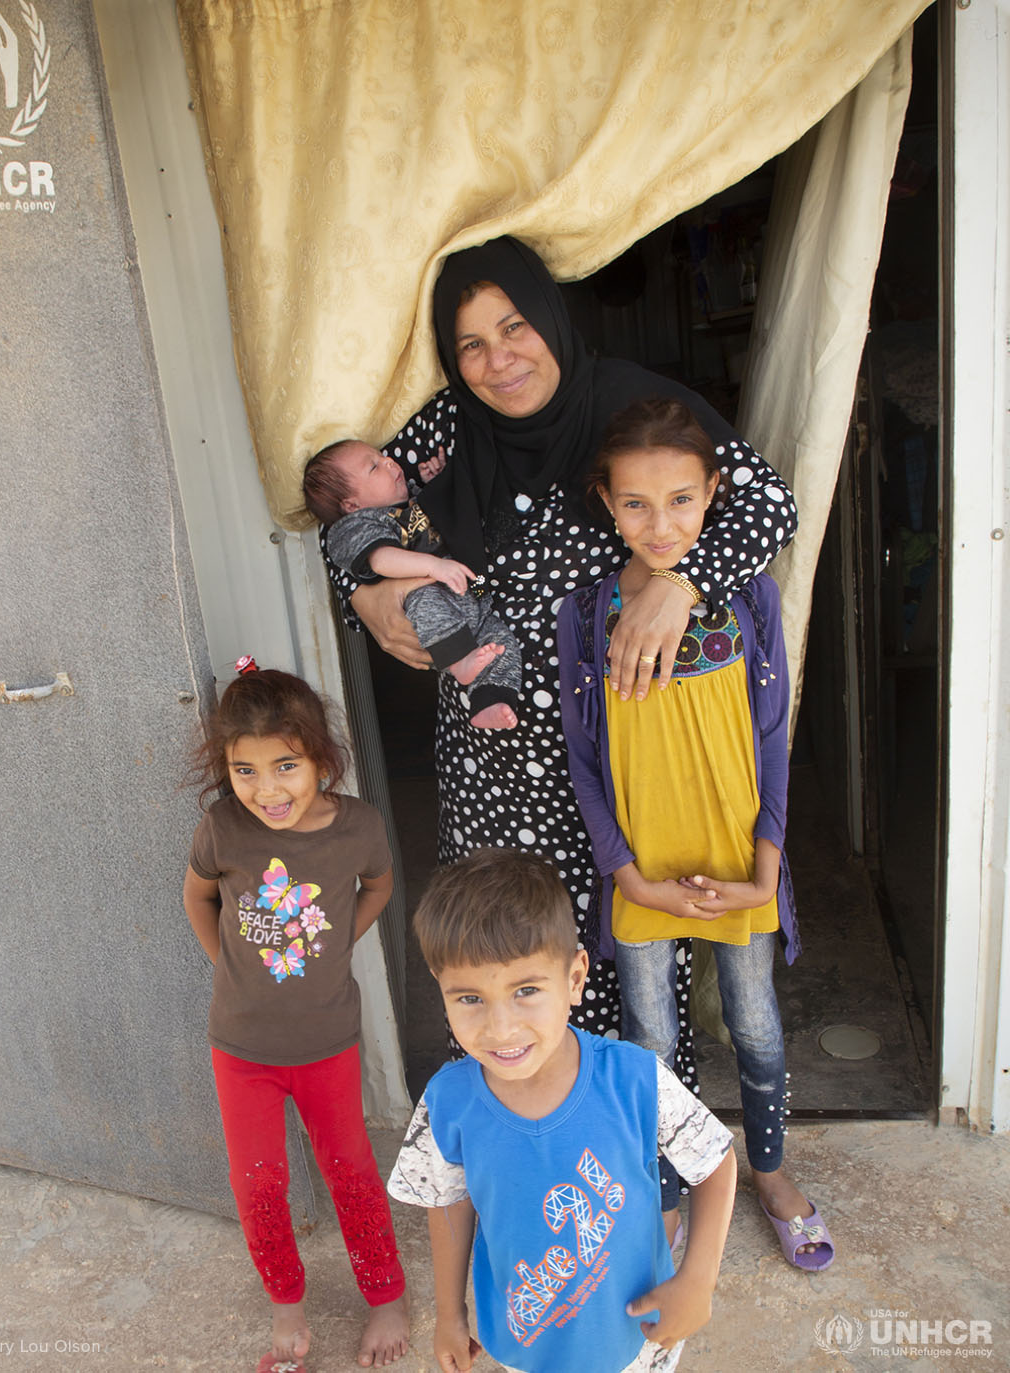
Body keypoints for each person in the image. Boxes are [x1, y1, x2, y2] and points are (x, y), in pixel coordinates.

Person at [322, 234, 797, 1062]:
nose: (497, 359)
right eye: (470, 343)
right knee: (504, 966)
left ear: (549, 316)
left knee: (630, 980)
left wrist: (682, 584)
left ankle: (635, 1158)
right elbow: (350, 518)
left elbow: (767, 504)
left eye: (514, 327)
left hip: (614, 762)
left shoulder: (623, 407)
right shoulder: (446, 431)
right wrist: (366, 592)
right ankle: (526, 1153)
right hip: (491, 774)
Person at [558, 398, 833, 1272]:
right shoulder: (586, 613)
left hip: (737, 867)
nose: (660, 522)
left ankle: (770, 1169)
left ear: (715, 491)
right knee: (650, 1038)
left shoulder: (749, 595)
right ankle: (668, 1190)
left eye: (682, 498)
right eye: (636, 502)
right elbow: (583, 762)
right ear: (606, 501)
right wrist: (625, 876)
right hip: (644, 875)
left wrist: (767, 870)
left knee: (755, 1024)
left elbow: (774, 739)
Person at [388, 849, 737, 1373]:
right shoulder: (447, 1104)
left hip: (639, 1339)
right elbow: (448, 1204)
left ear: (575, 979)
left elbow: (716, 1164)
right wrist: (449, 1314)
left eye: (526, 990)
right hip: (522, 1345)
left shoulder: (633, 1078)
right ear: (439, 986)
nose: (500, 1029)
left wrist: (698, 1280)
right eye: (468, 999)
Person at [182, 664, 410, 1371]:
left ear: (320, 757)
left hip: (327, 1043)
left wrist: (343, 936)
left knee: (350, 1170)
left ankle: (386, 1296)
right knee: (258, 1183)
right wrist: (227, 962)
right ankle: (286, 1305)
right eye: (244, 769)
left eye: (286, 764)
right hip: (241, 1046)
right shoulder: (222, 827)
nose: (267, 788)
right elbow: (197, 898)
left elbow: (380, 883)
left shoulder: (359, 827)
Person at [305, 438, 520, 728]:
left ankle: (490, 702)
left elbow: (446, 514)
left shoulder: (412, 501)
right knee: (423, 599)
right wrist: (434, 566)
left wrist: (438, 484)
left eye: (383, 457)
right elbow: (381, 560)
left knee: (501, 642)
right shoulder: (356, 526)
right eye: (374, 467)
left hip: (472, 592)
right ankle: (459, 663)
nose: (390, 462)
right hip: (432, 610)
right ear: (351, 504)